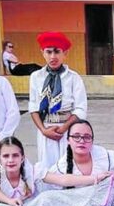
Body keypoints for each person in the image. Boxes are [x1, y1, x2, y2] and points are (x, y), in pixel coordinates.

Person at [28, 31, 87, 169]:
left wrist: (64, 128)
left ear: (65, 53)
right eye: (48, 52)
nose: (53, 56)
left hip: (68, 129)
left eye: (57, 52)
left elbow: (81, 108)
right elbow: (33, 106)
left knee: (68, 165)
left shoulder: (73, 78)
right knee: (47, 167)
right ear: (42, 52)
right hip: (46, 129)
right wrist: (43, 130)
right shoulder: (36, 77)